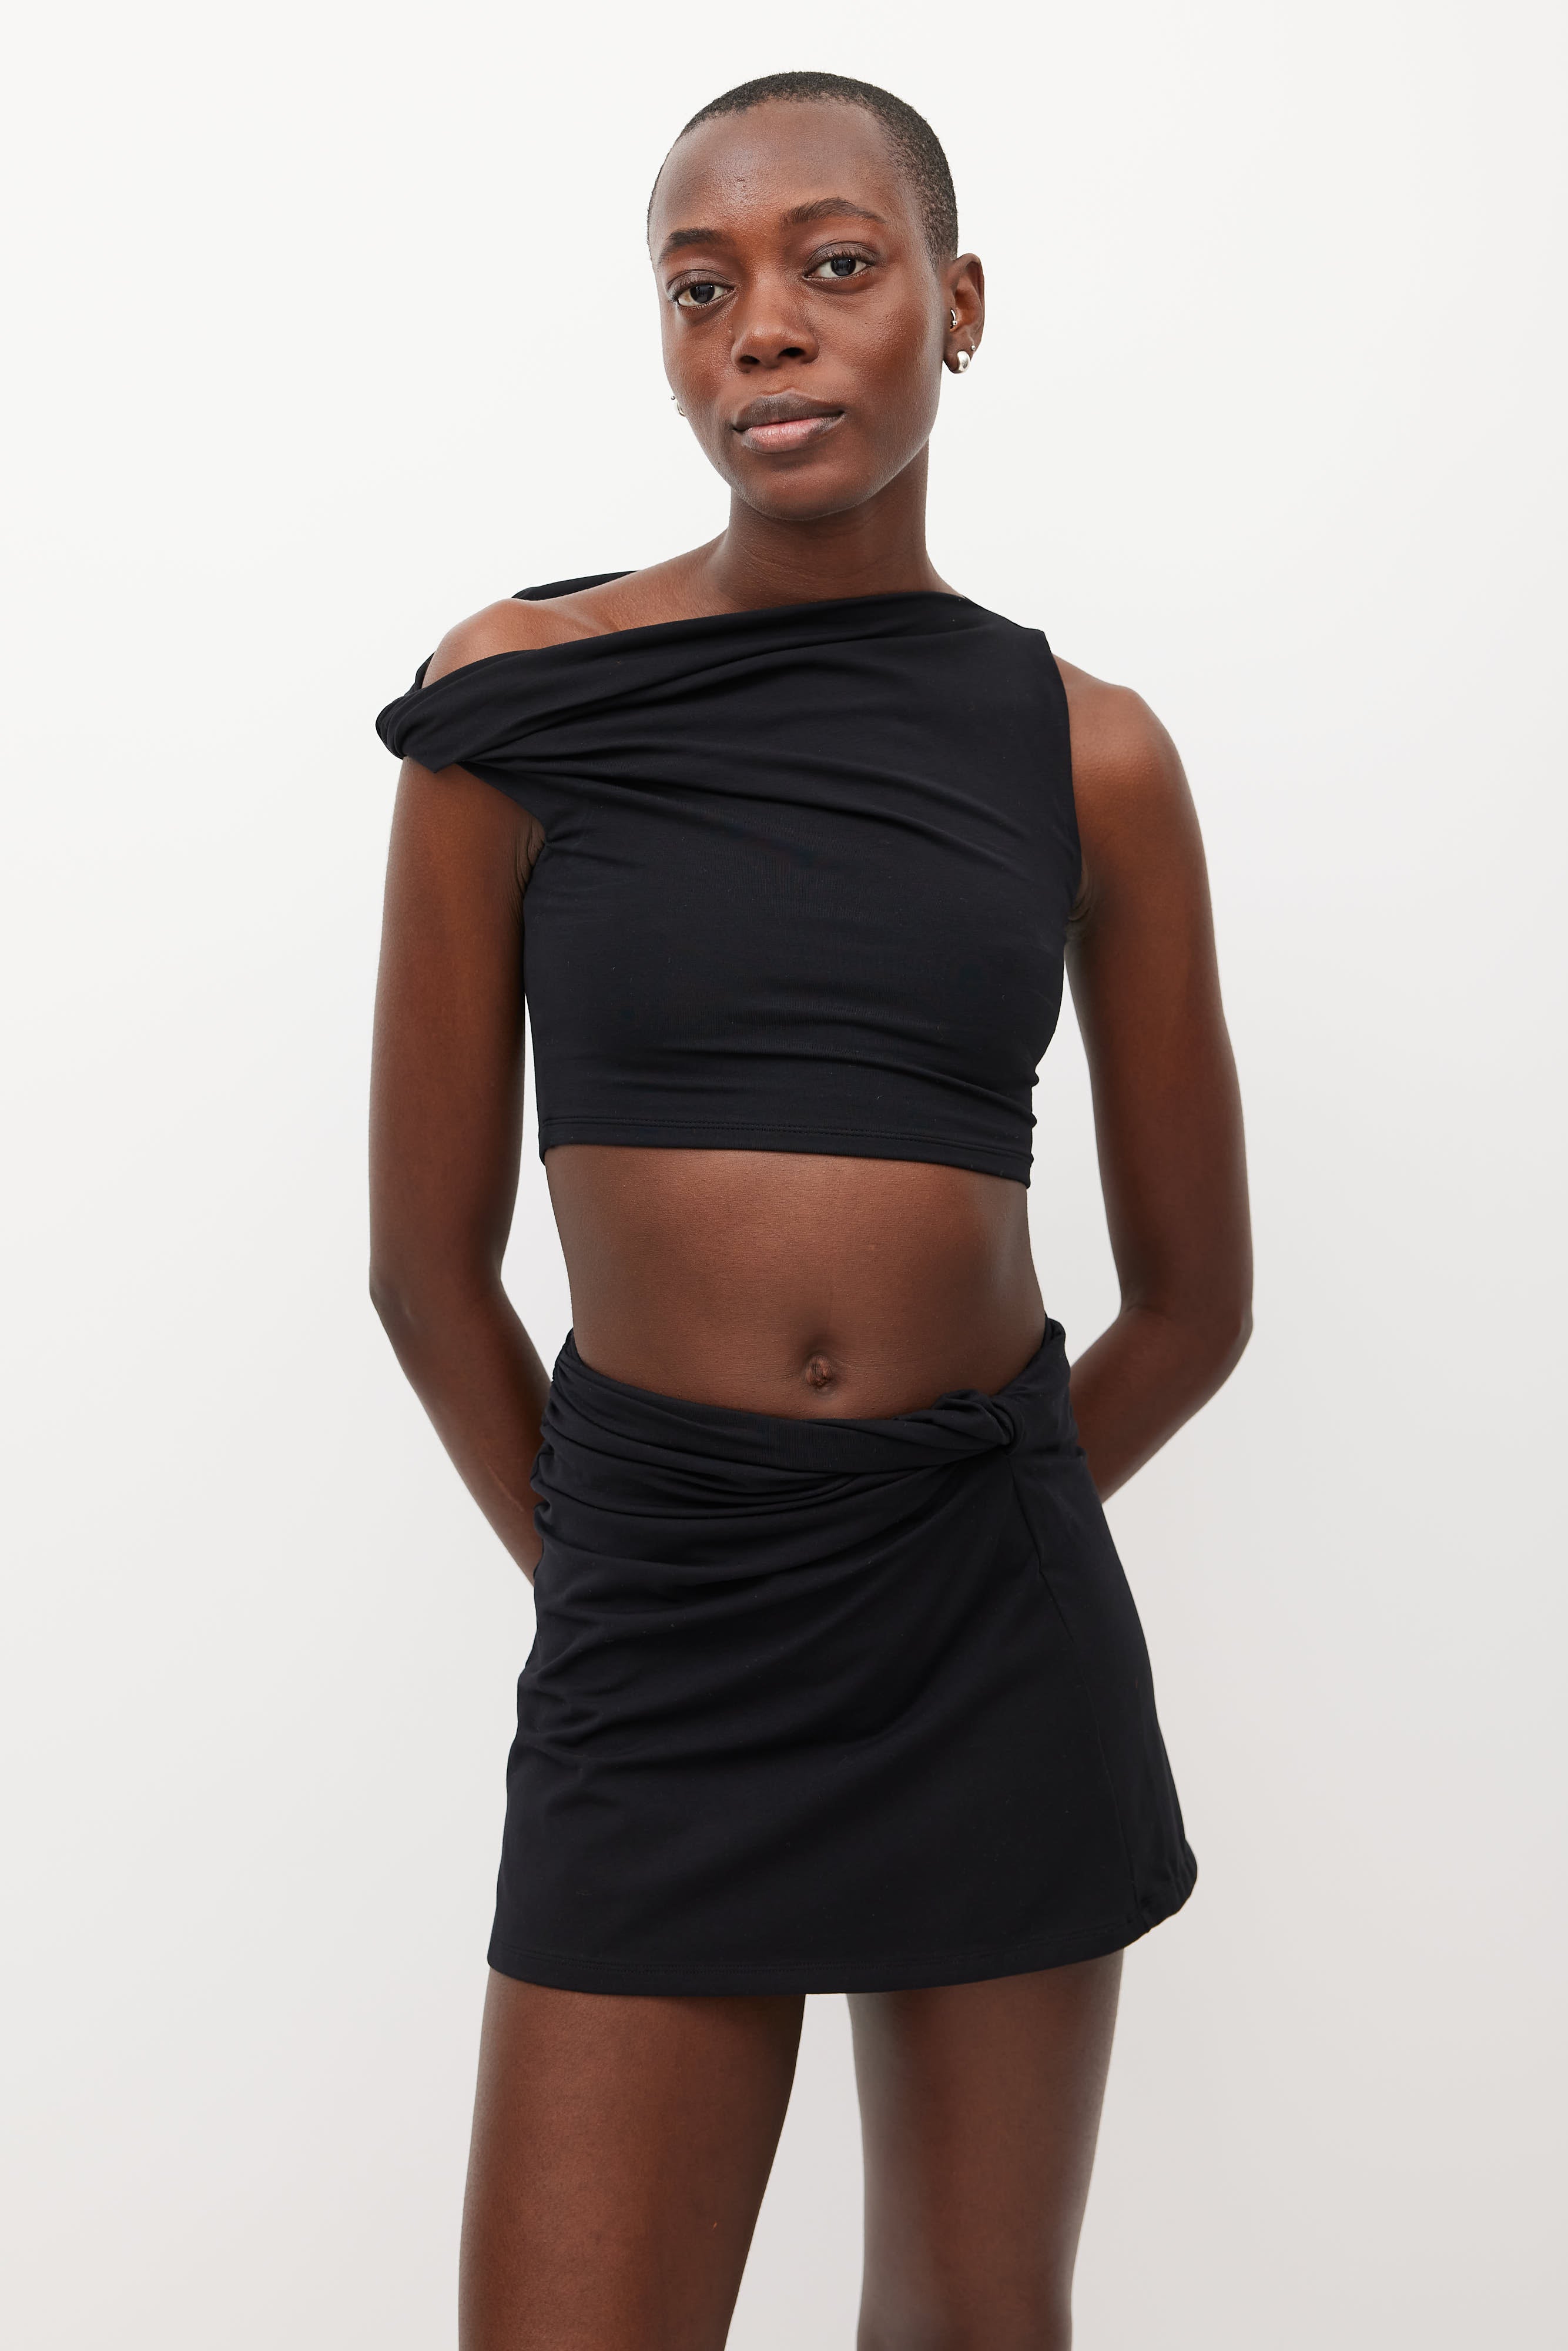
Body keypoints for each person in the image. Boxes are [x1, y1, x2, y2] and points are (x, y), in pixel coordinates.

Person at [370, 68, 1251, 2351]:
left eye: (832, 265)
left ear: (955, 306)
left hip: (985, 1637)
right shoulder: (519, 705)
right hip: (662, 1630)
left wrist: (940, 1536)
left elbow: (1193, 1303)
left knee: (970, 2323)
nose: (761, 324)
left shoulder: (1091, 753)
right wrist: (636, 1565)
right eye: (701, 287)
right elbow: (423, 1267)